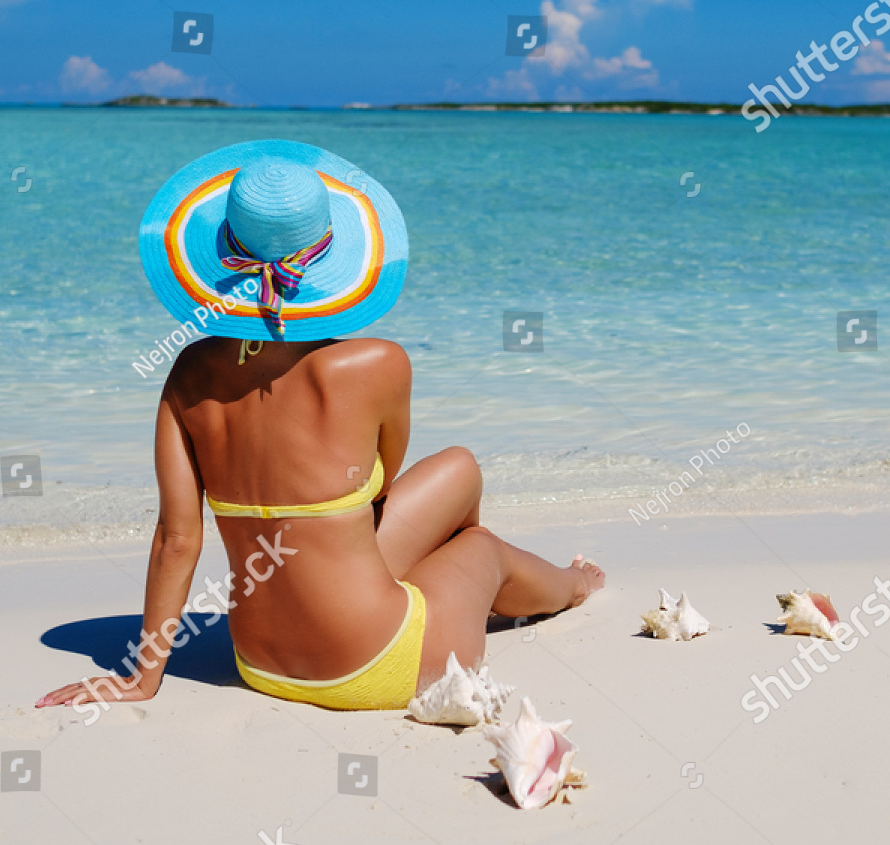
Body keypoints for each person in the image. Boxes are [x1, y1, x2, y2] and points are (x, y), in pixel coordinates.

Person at [37, 140, 603, 715]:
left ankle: (445, 596)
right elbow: (383, 480)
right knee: (480, 544)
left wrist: (143, 674)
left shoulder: (188, 373)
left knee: (460, 468)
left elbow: (177, 540)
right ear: (332, 263)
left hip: (258, 665)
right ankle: (570, 586)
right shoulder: (379, 364)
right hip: (382, 664)